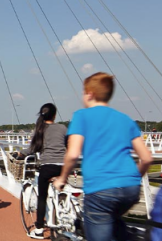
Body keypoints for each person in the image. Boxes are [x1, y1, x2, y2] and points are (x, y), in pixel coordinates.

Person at [53, 72, 153, 241]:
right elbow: (147, 158)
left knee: (100, 220)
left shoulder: (81, 116)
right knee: (114, 222)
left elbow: (73, 154)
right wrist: (134, 177)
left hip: (101, 190)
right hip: (131, 188)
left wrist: (62, 178)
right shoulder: (125, 119)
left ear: (90, 94)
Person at [17, 103, 66, 239]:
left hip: (48, 166)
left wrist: (21, 154)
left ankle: (39, 229)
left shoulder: (40, 129)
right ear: (55, 115)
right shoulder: (62, 128)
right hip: (63, 166)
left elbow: (32, 148)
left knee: (42, 198)